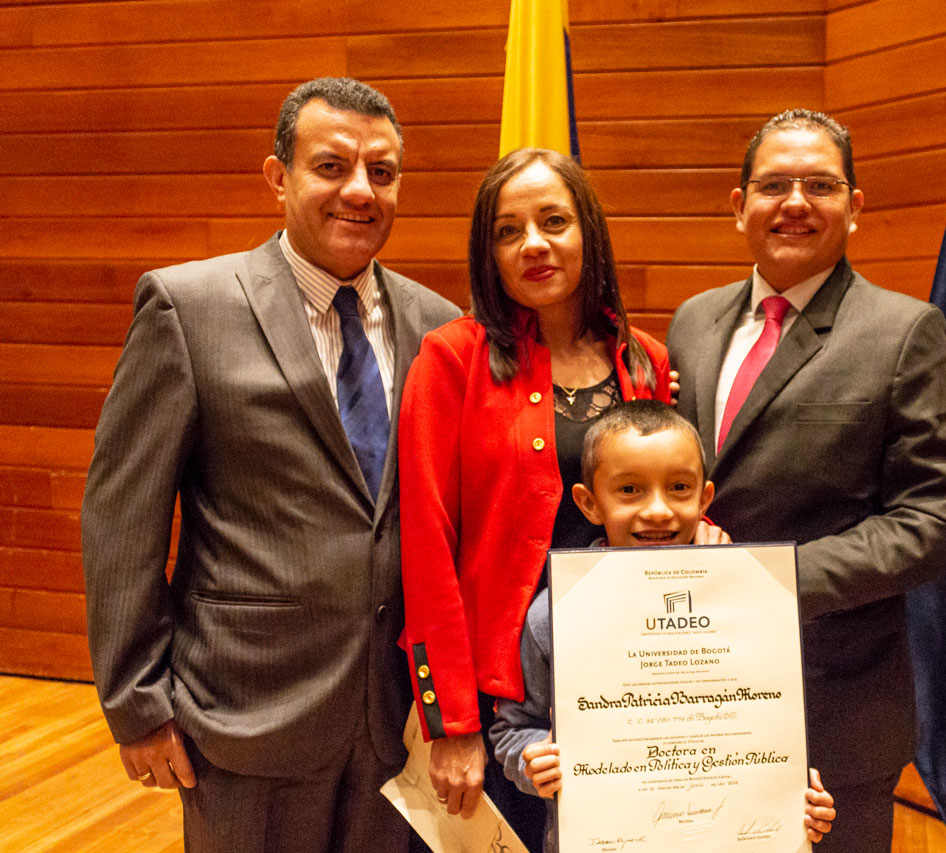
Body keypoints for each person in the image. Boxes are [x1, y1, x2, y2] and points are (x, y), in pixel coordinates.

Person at [81, 77, 460, 852]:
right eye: (331, 166)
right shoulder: (188, 308)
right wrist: (139, 701)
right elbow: (123, 521)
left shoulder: (441, 325)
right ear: (277, 176)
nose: (360, 190)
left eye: (382, 173)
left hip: (396, 718)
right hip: (244, 717)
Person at [664, 108, 946, 853]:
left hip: (831, 707)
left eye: (819, 184)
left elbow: (936, 521)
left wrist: (770, 577)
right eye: (773, 184)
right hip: (687, 701)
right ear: (739, 205)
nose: (795, 202)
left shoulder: (904, 331)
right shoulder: (692, 322)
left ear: (854, 206)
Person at [397, 148, 672, 845]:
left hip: (626, 676)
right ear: (487, 251)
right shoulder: (450, 358)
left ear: (590, 233)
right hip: (500, 700)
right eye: (508, 230)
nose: (534, 245)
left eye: (554, 221)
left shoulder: (644, 359)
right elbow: (426, 546)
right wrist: (450, 722)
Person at [489, 400, 836, 852]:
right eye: (630, 489)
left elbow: (772, 723)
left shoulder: (755, 605)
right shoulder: (555, 613)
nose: (657, 511)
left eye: (678, 487)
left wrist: (793, 798)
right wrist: (532, 760)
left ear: (704, 498)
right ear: (589, 503)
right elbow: (512, 730)